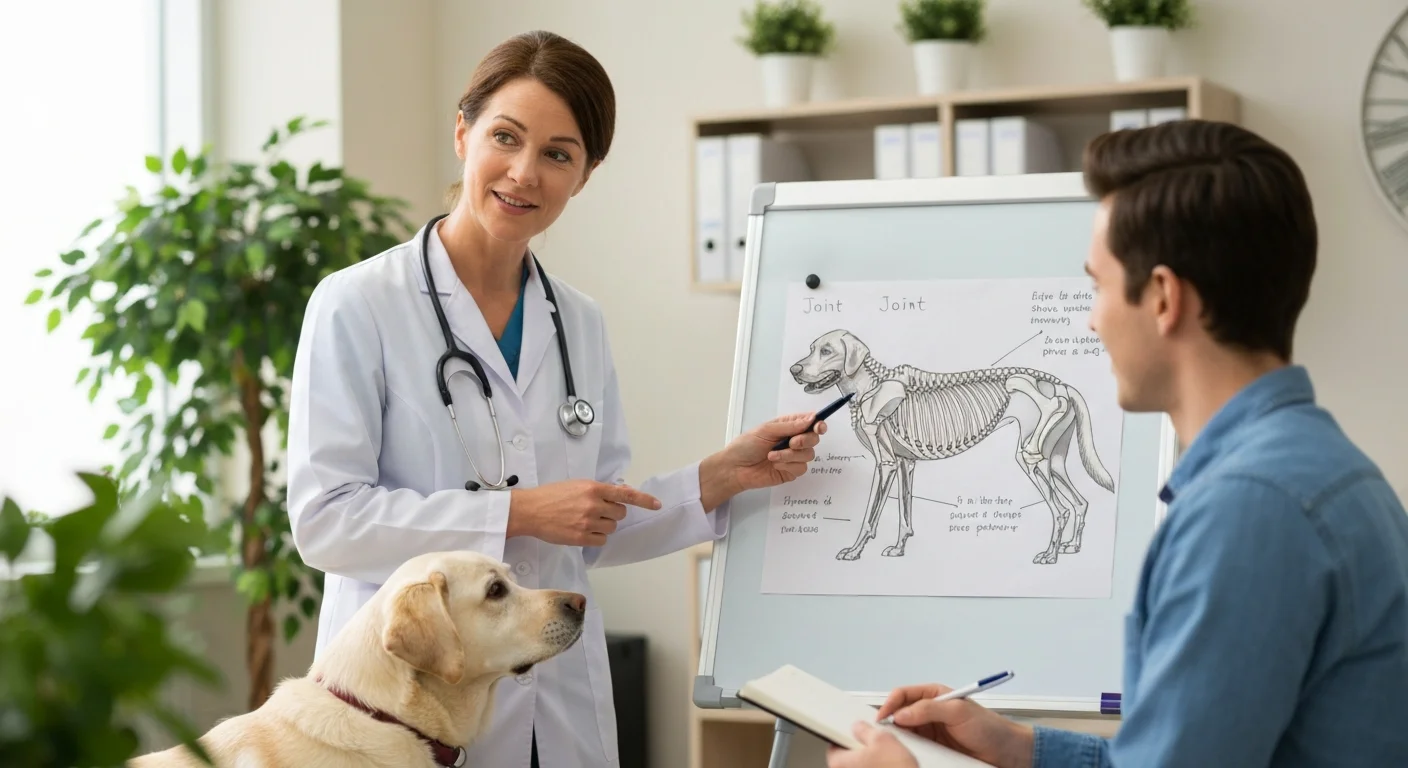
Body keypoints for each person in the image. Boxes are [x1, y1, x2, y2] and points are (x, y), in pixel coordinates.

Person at [286, 30, 828, 767]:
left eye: (557, 153)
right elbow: (326, 523)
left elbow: (590, 527)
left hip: (557, 711)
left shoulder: (578, 322)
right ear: (462, 133)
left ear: (586, 172)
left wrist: (719, 476)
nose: (523, 172)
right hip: (409, 706)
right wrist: (516, 512)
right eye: (504, 138)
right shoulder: (358, 304)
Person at [827, 120, 1408, 768]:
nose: (1091, 317)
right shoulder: (1317, 473)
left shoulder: (1247, 512)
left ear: (1163, 297)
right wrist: (1020, 747)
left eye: (1097, 286)